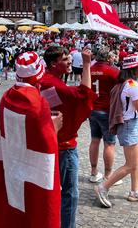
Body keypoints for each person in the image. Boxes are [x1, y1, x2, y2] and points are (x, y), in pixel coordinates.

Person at [0, 51, 63, 228]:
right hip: (33, 168)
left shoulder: (7, 97)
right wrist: (55, 128)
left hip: (13, 162)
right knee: (36, 206)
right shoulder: (38, 103)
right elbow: (46, 143)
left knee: (14, 206)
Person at [40, 45, 96, 228]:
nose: (70, 61)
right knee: (70, 193)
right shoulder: (56, 85)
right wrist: (87, 65)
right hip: (64, 146)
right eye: (65, 59)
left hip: (47, 143)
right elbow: (83, 96)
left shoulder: (43, 80)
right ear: (54, 63)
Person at [94, 53, 138, 208]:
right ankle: (103, 187)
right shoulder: (132, 85)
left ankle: (134, 191)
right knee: (131, 164)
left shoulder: (124, 83)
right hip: (129, 125)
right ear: (134, 69)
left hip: (132, 123)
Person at [88, 48, 120, 184]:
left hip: (92, 109)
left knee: (95, 140)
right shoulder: (113, 71)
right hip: (107, 110)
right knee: (110, 143)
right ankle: (108, 175)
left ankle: (94, 172)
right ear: (108, 58)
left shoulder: (89, 69)